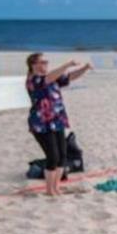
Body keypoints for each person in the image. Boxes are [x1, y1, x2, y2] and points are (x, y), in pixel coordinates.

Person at [25, 53, 92, 196]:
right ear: (33, 65)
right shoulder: (33, 80)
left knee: (62, 156)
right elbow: (48, 79)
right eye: (42, 62)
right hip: (41, 123)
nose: (45, 65)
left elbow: (69, 77)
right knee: (52, 156)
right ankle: (49, 190)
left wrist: (85, 68)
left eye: (46, 62)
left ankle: (56, 187)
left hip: (58, 121)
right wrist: (67, 64)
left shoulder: (52, 78)